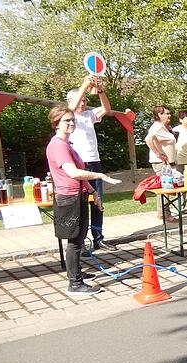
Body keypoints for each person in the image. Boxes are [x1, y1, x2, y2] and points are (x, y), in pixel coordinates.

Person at [46, 105, 120, 295]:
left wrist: (92, 192)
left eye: (72, 120)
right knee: (75, 241)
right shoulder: (58, 145)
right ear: (56, 123)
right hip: (68, 197)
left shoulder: (67, 144)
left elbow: (77, 176)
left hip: (77, 194)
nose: (71, 123)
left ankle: (76, 272)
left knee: (78, 238)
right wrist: (100, 176)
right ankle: (75, 284)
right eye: (66, 121)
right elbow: (73, 172)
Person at [66, 75, 117, 251]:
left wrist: (100, 90)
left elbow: (107, 108)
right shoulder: (68, 117)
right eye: (81, 100)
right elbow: (71, 109)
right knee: (80, 204)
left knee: (98, 202)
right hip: (77, 166)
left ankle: (98, 238)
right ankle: (80, 241)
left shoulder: (89, 115)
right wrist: (84, 85)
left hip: (94, 163)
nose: (83, 103)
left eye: (85, 100)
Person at [144, 105, 177, 223]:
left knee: (164, 186)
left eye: (169, 113)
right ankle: (166, 214)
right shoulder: (156, 127)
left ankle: (162, 212)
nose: (169, 116)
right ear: (159, 115)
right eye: (166, 114)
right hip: (160, 162)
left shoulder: (163, 127)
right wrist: (158, 153)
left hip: (166, 162)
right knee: (166, 186)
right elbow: (148, 140)